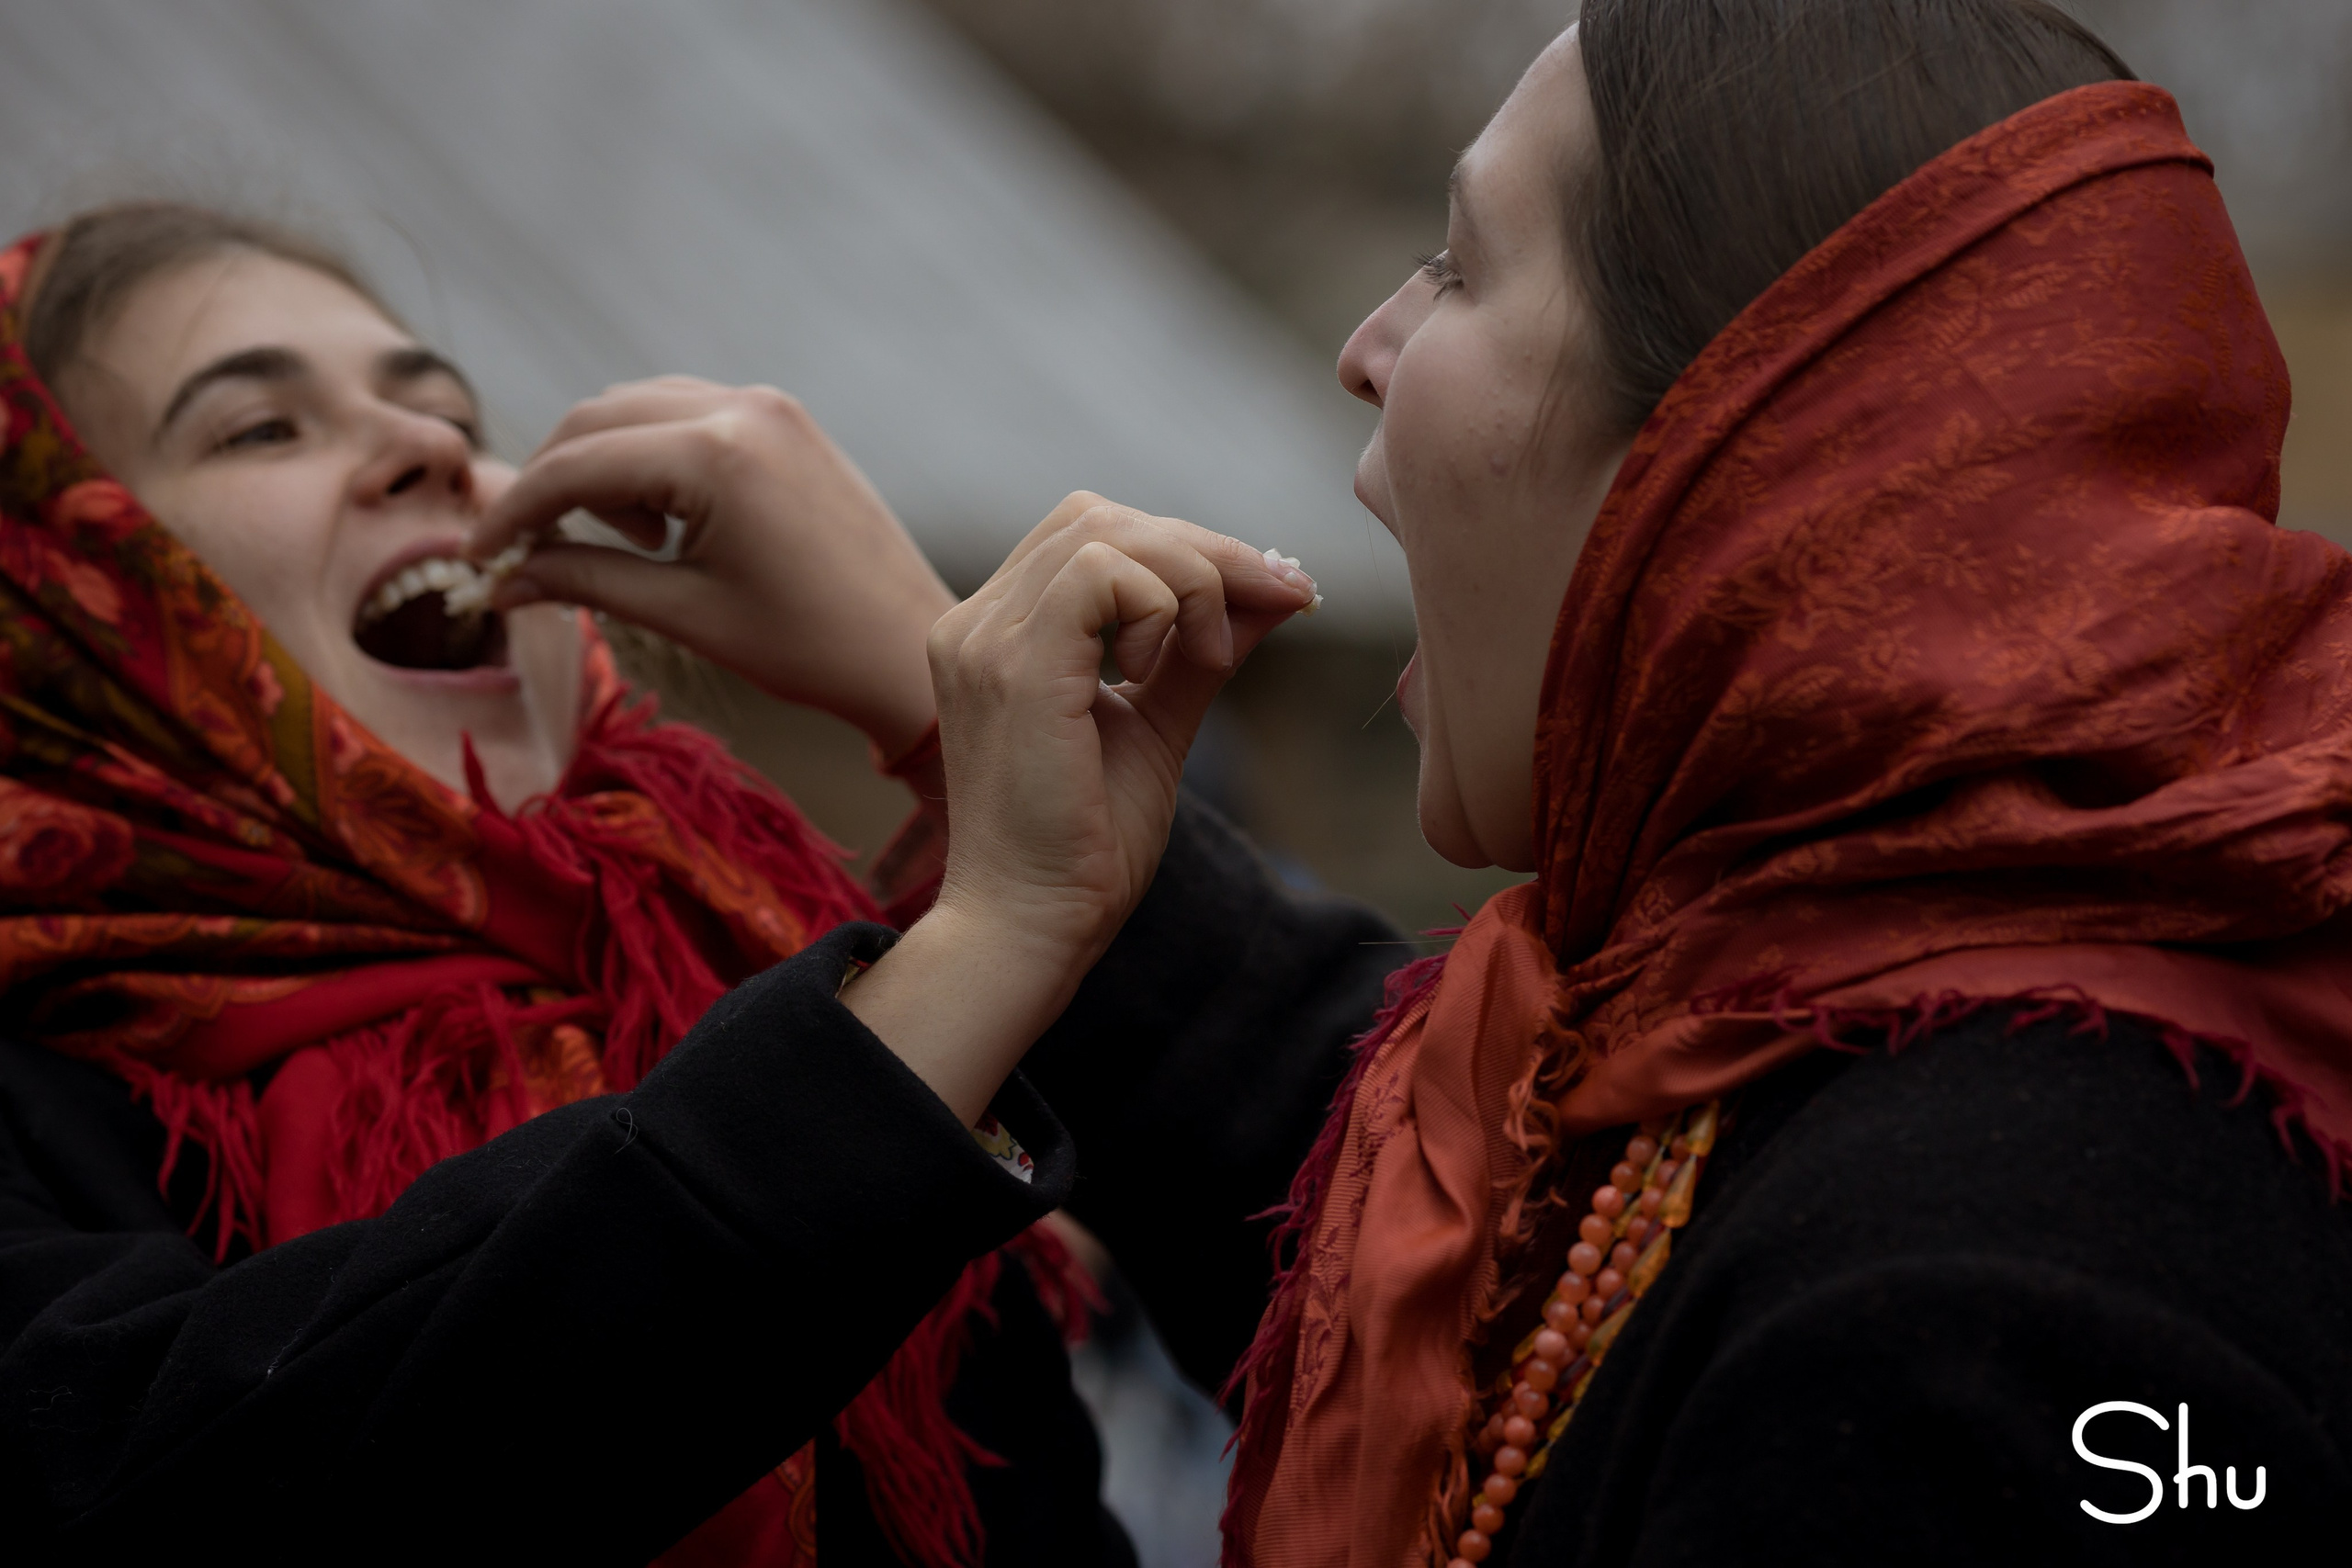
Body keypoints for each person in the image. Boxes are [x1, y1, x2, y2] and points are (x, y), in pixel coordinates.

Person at [466, 0, 2352, 1560]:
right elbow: (1429, 1198)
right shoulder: (1779, 1044)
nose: (1366, 348)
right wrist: (926, 670)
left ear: (1746, 446)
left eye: (1459, 265)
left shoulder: (1980, 1313)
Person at [0, 202, 1335, 1564]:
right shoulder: (33, 1101)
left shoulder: (746, 954)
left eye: (447, 409)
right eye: (260, 429)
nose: (429, 448)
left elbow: (1369, 1266)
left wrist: (926, 680)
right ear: (52, 612)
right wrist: (973, 954)